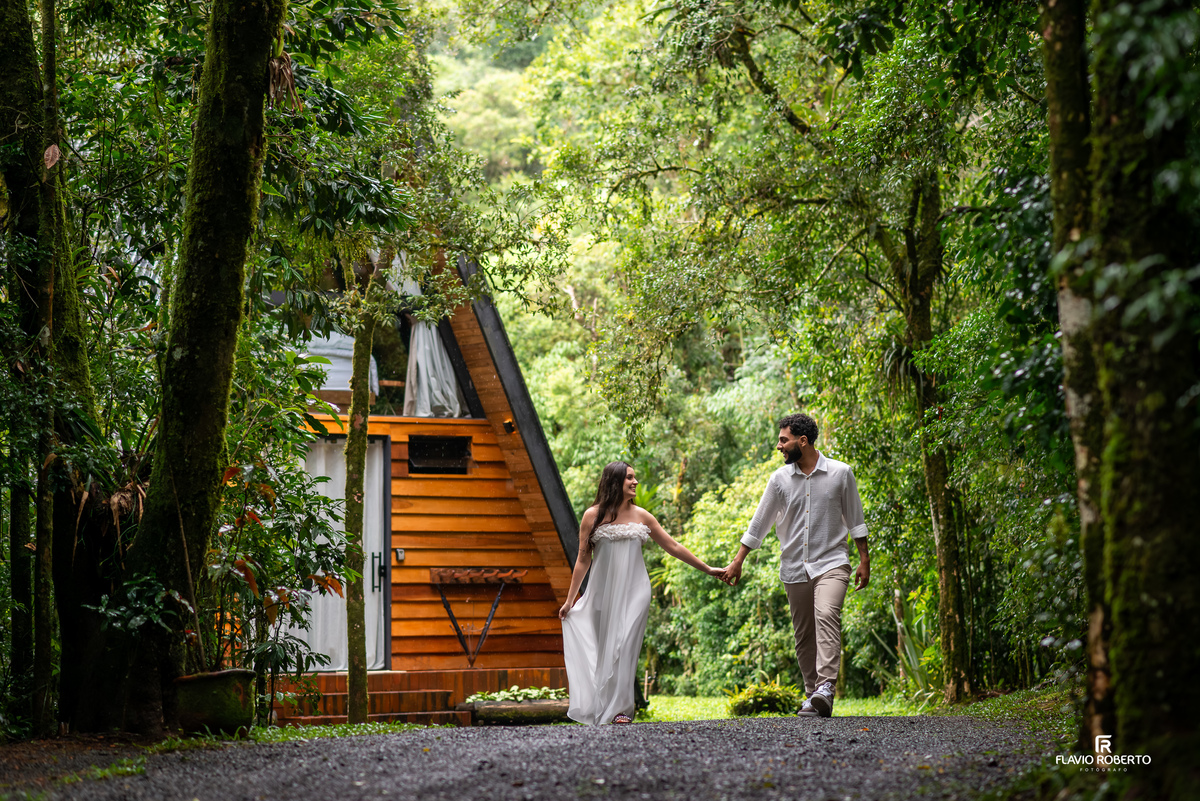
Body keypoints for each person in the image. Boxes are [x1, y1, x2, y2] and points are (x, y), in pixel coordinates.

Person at [723, 413, 870, 718]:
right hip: (794, 566)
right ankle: (813, 695)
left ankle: (826, 686)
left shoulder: (841, 473)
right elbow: (759, 524)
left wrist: (864, 559)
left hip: (832, 562)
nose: (779, 446)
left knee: (827, 614)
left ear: (802, 441)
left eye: (783, 440)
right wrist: (738, 561)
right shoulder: (779, 480)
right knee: (803, 634)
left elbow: (855, 519)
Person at [559, 461, 724, 725]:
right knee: (606, 650)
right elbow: (582, 559)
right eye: (629, 478)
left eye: (634, 477)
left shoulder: (643, 516)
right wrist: (570, 600)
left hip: (636, 591)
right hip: (602, 593)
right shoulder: (592, 516)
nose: (635, 482)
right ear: (614, 482)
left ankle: (621, 710)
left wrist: (708, 569)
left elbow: (673, 546)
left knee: (626, 646)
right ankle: (600, 705)